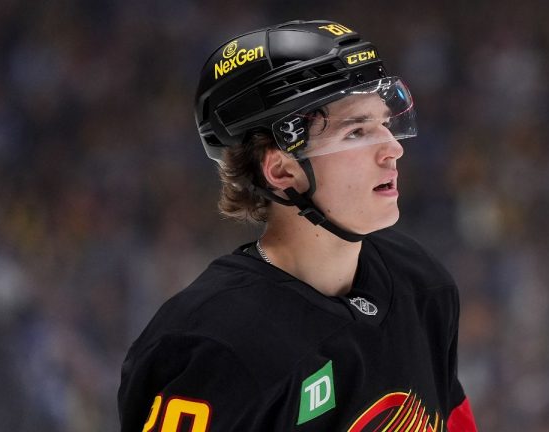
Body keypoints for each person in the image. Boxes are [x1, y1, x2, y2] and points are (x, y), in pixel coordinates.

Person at [118, 20, 478, 431]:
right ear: (282, 171)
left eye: (384, 123)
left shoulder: (421, 283)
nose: (392, 148)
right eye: (357, 131)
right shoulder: (211, 345)